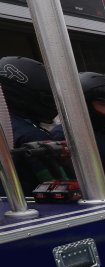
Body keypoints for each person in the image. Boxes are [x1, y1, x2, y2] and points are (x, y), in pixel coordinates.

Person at [0, 56, 68, 195]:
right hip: (32, 204)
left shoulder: (8, 127)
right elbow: (61, 187)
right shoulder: (31, 135)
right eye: (48, 99)